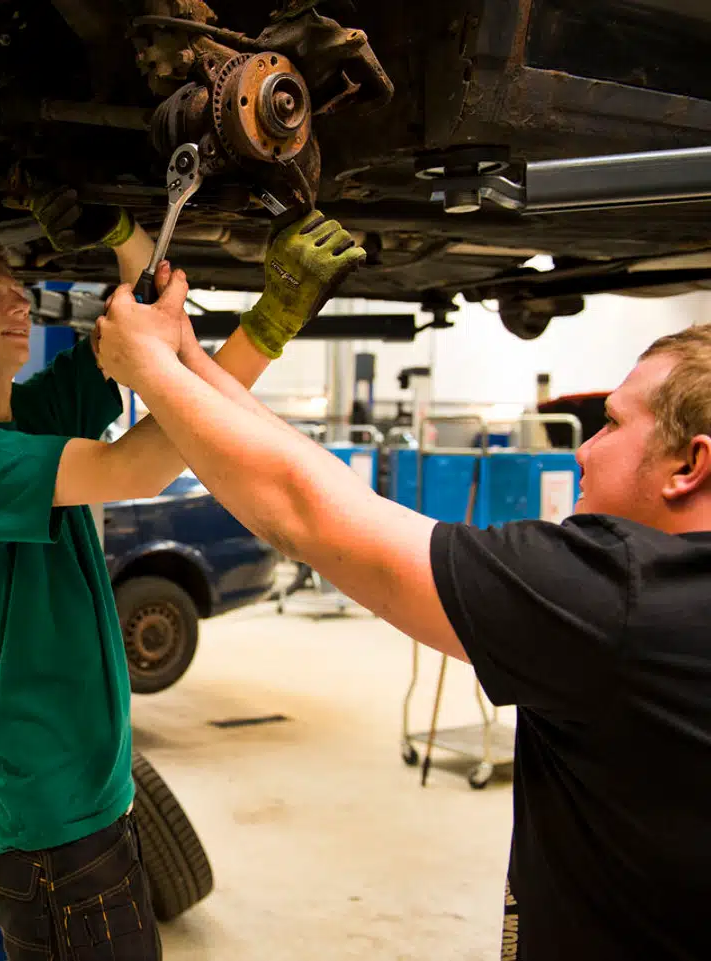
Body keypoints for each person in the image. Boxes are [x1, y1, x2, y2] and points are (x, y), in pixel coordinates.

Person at [94, 275, 711, 959]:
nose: (584, 449)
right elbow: (331, 488)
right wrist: (187, 357)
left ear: (690, 463)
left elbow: (310, 513)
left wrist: (145, 367)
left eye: (615, 424)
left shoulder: (622, 598)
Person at [0, 193, 364, 959]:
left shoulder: (33, 410)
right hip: (54, 810)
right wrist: (271, 319)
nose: (18, 302)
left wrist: (124, 234)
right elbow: (140, 463)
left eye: (15, 289)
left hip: (91, 790)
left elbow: (166, 375)